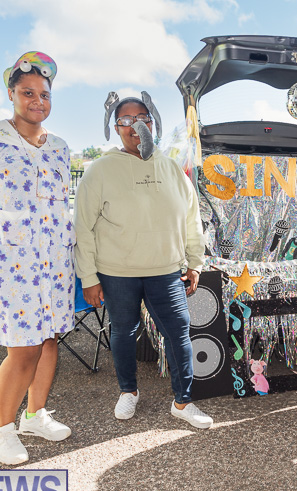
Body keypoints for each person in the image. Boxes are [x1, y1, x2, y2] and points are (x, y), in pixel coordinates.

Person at [0, 51, 73, 465]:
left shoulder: (59, 148)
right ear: (11, 94)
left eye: (44, 93)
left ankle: (35, 415)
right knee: (22, 349)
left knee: (49, 339)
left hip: (54, 264)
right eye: (27, 92)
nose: (37, 100)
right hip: (8, 267)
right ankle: (3, 429)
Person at [74, 91, 212, 429]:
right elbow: (83, 227)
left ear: (153, 123)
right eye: (126, 120)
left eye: (143, 119)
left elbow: (191, 219)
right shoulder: (100, 170)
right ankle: (128, 392)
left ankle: (182, 401)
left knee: (178, 334)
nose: (135, 126)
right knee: (123, 331)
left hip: (166, 271)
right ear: (115, 127)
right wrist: (88, 277)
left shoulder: (171, 168)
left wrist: (195, 262)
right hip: (117, 272)